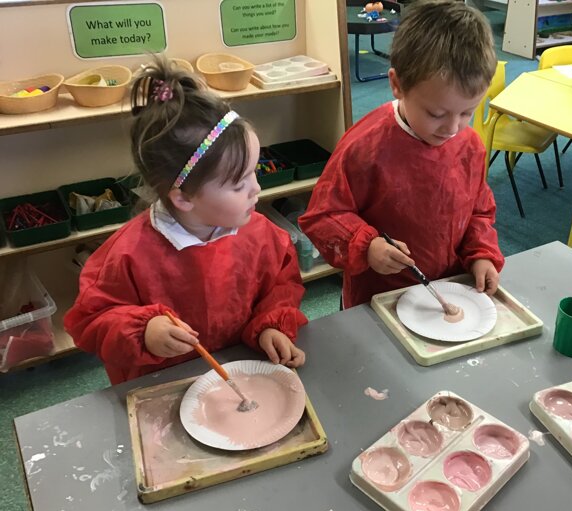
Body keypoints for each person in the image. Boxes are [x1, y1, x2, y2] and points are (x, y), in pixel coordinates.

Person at [64, 58, 308, 384]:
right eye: (239, 184)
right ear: (183, 198)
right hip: (164, 383)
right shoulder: (127, 256)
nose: (257, 189)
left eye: (254, 171)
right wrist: (144, 331)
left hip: (239, 373)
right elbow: (91, 321)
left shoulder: (261, 233)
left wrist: (271, 325)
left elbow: (280, 284)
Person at [299, 0, 503, 308]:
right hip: (379, 299)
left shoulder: (469, 146)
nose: (452, 128)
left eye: (467, 113)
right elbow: (323, 216)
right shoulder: (364, 148)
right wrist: (367, 246)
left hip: (447, 292)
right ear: (397, 84)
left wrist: (481, 254)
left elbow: (479, 211)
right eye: (436, 114)